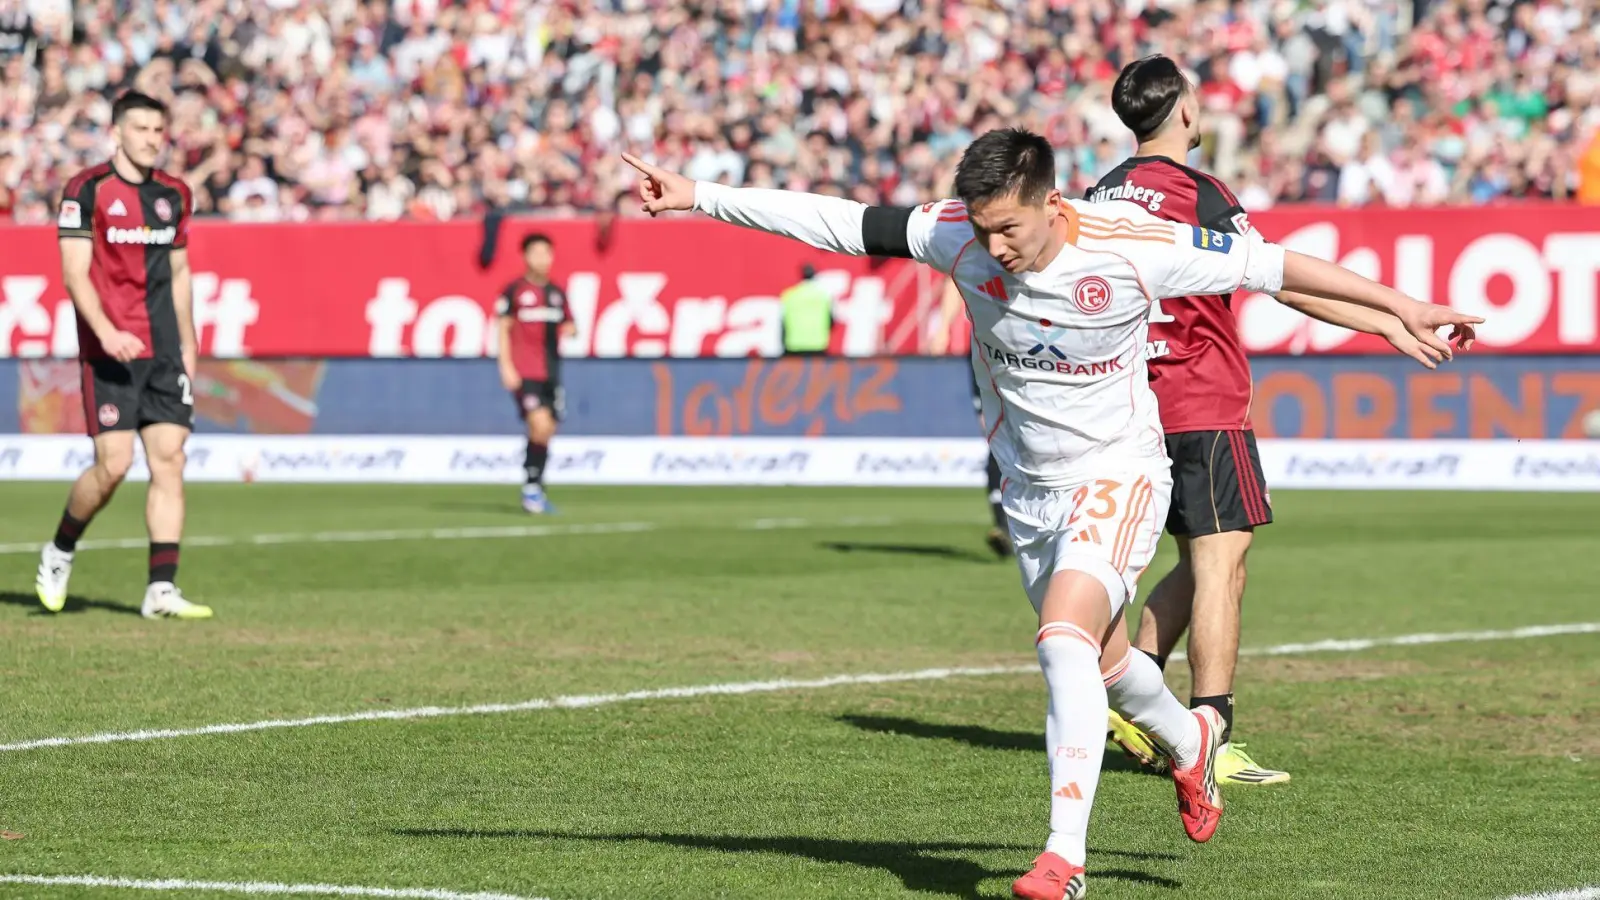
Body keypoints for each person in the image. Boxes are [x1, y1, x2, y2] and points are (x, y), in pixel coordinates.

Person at [621, 130, 1478, 899]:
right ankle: (1191, 747)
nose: (996, 249)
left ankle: (1064, 859)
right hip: (1028, 487)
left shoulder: (1138, 246)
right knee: (1103, 665)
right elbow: (840, 222)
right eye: (984, 229)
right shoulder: (955, 232)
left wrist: (1401, 310)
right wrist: (699, 196)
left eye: (1011, 231)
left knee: (1063, 638)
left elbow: (1277, 265)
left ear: (1051, 203)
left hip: (1121, 471)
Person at [1091, 56, 1472, 785]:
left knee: (1208, 558)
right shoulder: (1198, 194)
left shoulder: (1098, 195)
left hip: (1130, 403)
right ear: (1183, 112)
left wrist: (1385, 326)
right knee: (1222, 566)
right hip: (1202, 402)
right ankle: (1211, 735)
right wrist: (1392, 315)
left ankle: (1133, 688)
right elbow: (1281, 281)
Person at [36, 91, 211, 620]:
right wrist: (108, 332)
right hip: (109, 349)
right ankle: (60, 549)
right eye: (141, 129)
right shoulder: (85, 190)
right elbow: (73, 272)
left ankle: (161, 588)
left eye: (158, 130)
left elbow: (179, 275)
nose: (152, 139)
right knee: (113, 466)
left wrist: (190, 343)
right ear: (116, 132)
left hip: (162, 352)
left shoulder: (175, 195)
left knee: (170, 460)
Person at [496, 233, 575, 514]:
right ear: (526, 257)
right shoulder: (514, 291)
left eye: (546, 253)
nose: (542, 259)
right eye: (536, 253)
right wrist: (505, 365)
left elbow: (571, 324)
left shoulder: (557, 293)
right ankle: (531, 490)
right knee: (539, 424)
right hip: (525, 371)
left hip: (551, 373)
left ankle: (535, 485)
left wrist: (570, 329)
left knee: (546, 430)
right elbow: (503, 328)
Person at [931, 279, 1011, 558]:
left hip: (1033, 349)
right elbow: (955, 274)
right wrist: (942, 327)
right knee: (995, 434)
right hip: (986, 351)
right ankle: (1003, 525)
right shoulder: (980, 245)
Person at [780, 264, 834, 355]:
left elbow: (782, 322)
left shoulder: (789, 295)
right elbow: (831, 321)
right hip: (818, 345)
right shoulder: (823, 296)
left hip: (793, 346)